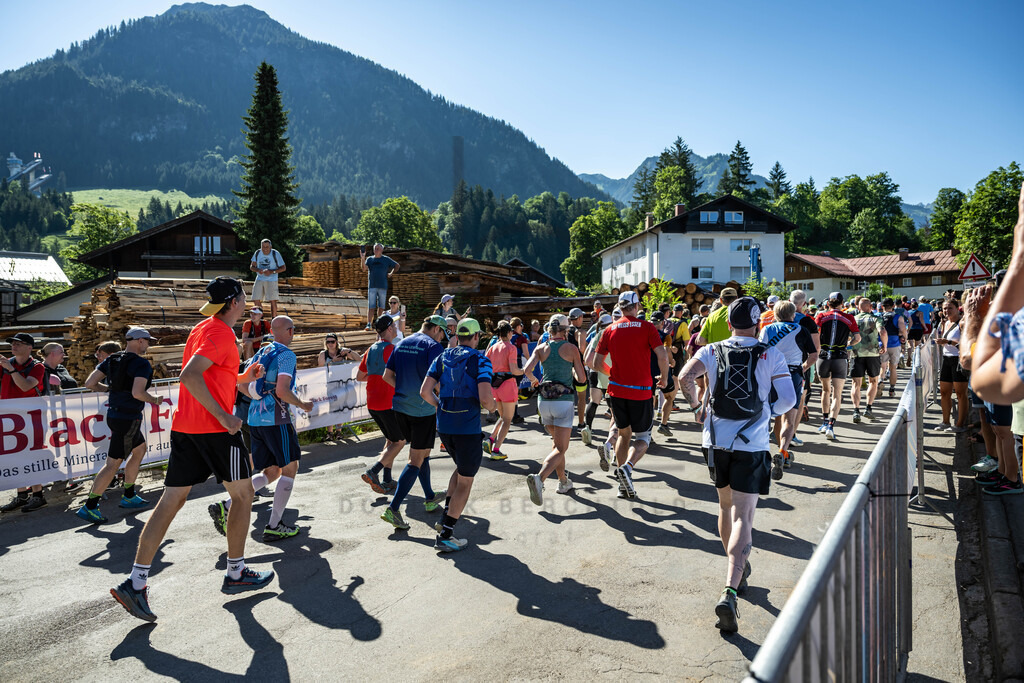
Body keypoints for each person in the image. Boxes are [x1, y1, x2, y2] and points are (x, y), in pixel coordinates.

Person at [109, 277, 272, 623]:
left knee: (171, 500)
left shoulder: (204, 327)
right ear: (234, 302)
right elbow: (189, 376)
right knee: (243, 497)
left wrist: (244, 375)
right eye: (244, 295)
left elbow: (214, 375)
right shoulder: (220, 333)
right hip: (214, 430)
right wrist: (226, 417)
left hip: (186, 427)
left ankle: (135, 583)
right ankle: (236, 572)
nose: (247, 301)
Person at [676, 297, 796, 633]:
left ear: (728, 323)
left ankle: (736, 568)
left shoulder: (710, 350)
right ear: (758, 324)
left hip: (715, 442)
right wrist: (764, 414)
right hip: (752, 444)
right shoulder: (771, 354)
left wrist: (697, 406)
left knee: (725, 506)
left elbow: (684, 378)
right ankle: (730, 587)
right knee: (744, 514)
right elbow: (788, 400)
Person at [211, 315, 313, 541]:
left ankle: (227, 505)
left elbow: (242, 384)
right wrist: (302, 404)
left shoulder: (262, 352)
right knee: (290, 468)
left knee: (272, 471)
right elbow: (282, 391)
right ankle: (275, 524)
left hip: (255, 420)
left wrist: (256, 396)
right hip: (277, 419)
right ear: (290, 331)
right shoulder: (286, 355)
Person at [421, 318, 496, 551]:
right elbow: (485, 398)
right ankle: (446, 534)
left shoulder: (442, 356)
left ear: (458, 336)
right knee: (466, 481)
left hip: (444, 426)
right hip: (468, 427)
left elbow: (424, 391)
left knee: (460, 469)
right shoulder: (480, 359)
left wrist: (441, 407)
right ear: (476, 337)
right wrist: (494, 409)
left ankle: (444, 519)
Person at [77, 328, 162, 523]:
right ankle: (90, 506)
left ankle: (130, 495)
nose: (148, 345)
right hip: (128, 418)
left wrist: (110, 390)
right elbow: (138, 393)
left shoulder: (113, 359)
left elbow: (90, 382)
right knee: (113, 464)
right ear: (140, 341)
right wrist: (155, 399)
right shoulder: (141, 364)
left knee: (140, 449)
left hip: (115, 414)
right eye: (148, 341)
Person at [594, 291, 669, 499]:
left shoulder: (609, 330)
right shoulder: (647, 327)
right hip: (641, 392)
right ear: (636, 307)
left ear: (620, 307)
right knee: (643, 437)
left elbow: (596, 364)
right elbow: (662, 355)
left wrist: (615, 375)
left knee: (623, 435)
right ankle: (627, 468)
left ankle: (621, 485)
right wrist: (664, 378)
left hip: (616, 391)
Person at [378, 316, 450, 530]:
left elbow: (387, 376)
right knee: (416, 459)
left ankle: (429, 497)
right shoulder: (434, 347)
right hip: (422, 410)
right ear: (437, 329)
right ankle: (393, 508)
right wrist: (441, 404)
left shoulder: (402, 342)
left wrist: (404, 392)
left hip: (400, 407)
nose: (442, 339)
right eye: (442, 334)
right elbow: (438, 383)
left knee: (423, 452)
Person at [960, 285, 1022, 494]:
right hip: (994, 381)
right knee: (998, 431)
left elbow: (969, 358)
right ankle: (1003, 473)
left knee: (1006, 433)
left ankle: (1012, 478)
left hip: (1003, 381)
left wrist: (975, 318)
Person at [524, 314, 587, 503]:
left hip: (544, 401)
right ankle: (540, 478)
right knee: (561, 448)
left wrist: (536, 381)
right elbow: (582, 379)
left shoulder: (541, 347)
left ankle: (563, 482)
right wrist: (573, 370)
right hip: (564, 401)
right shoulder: (571, 348)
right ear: (566, 330)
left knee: (556, 445)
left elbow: (527, 370)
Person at [758, 301, 817, 478]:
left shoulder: (767, 329)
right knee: (789, 418)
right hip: (793, 374)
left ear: (775, 315)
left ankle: (761, 454)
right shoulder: (802, 329)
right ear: (793, 315)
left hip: (770, 374)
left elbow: (760, 352)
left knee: (765, 416)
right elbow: (814, 355)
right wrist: (803, 368)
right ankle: (783, 452)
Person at [357, 315, 405, 494]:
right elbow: (400, 376)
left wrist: (376, 377)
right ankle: (373, 472)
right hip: (388, 403)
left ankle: (386, 478)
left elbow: (360, 377)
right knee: (400, 442)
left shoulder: (371, 349)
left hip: (373, 402)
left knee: (390, 439)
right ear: (391, 329)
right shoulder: (393, 349)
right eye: (395, 324)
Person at [0, 333, 48, 512]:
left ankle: (38, 495)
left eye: (19, 343)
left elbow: (26, 386)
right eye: (13, 343)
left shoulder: (37, 366)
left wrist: (11, 369)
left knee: (32, 454)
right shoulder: (6, 364)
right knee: (14, 455)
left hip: (31, 417)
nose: (14, 346)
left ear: (30, 347)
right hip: (9, 417)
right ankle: (21, 495)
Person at [484, 321, 522, 459]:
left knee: (502, 417)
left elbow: (485, 367)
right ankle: (496, 450)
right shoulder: (511, 348)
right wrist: (525, 371)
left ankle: (490, 439)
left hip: (495, 386)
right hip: (507, 385)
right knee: (507, 419)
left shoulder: (492, 348)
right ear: (509, 332)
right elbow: (513, 370)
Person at [788, 290, 820, 448]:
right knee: (799, 401)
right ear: (805, 304)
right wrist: (806, 367)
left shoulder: (778, 319)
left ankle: (778, 431)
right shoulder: (808, 321)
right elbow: (816, 349)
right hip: (800, 365)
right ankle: (791, 434)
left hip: (780, 365)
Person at [850, 296, 887, 424]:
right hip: (873, 353)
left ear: (858, 307)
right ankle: (868, 408)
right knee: (873, 381)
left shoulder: (853, 319)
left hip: (857, 353)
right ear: (871, 307)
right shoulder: (876, 318)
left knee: (856, 384)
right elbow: (882, 331)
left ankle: (856, 411)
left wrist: (850, 346)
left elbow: (848, 335)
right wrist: (885, 346)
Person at [582, 313, 614, 457]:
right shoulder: (610, 334)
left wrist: (594, 368)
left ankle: (587, 428)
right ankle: (613, 438)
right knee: (613, 406)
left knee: (594, 402)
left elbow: (586, 359)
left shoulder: (595, 335)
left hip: (594, 372)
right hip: (607, 372)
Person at [936, 298, 969, 431]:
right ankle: (945, 422)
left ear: (957, 308)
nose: (946, 311)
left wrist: (949, 342)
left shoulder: (963, 322)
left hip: (958, 360)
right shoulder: (946, 322)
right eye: (944, 308)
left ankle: (960, 424)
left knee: (961, 394)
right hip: (946, 358)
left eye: (950, 308)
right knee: (944, 392)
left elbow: (967, 344)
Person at [361, 243, 399, 330]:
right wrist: (362, 258)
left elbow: (397, 265)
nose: (376, 250)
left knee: (381, 306)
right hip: (372, 286)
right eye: (375, 248)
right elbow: (363, 269)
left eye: (378, 248)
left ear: (382, 250)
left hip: (383, 286)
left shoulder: (386, 259)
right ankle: (369, 324)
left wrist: (391, 273)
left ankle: (379, 324)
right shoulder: (369, 259)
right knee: (371, 306)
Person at [250, 239, 285, 318]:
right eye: (263, 247)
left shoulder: (275, 254)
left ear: (271, 247)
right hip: (259, 278)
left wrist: (272, 271)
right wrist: (258, 270)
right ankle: (260, 319)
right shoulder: (258, 253)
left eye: (267, 247)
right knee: (256, 298)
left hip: (272, 279)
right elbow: (252, 267)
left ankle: (273, 319)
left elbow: (283, 268)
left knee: (272, 300)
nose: (265, 249)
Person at [880, 298, 908, 398]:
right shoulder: (898, 317)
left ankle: (880, 382)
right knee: (893, 368)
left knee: (882, 367)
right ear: (893, 306)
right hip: (894, 344)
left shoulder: (879, 317)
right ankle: (892, 389)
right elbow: (903, 329)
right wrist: (905, 337)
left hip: (882, 344)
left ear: (882, 307)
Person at [567, 308, 589, 432]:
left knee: (567, 396)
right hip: (578, 367)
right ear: (579, 318)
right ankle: (581, 423)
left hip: (566, 367)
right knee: (581, 397)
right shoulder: (580, 332)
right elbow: (582, 349)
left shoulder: (564, 331)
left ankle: (566, 424)